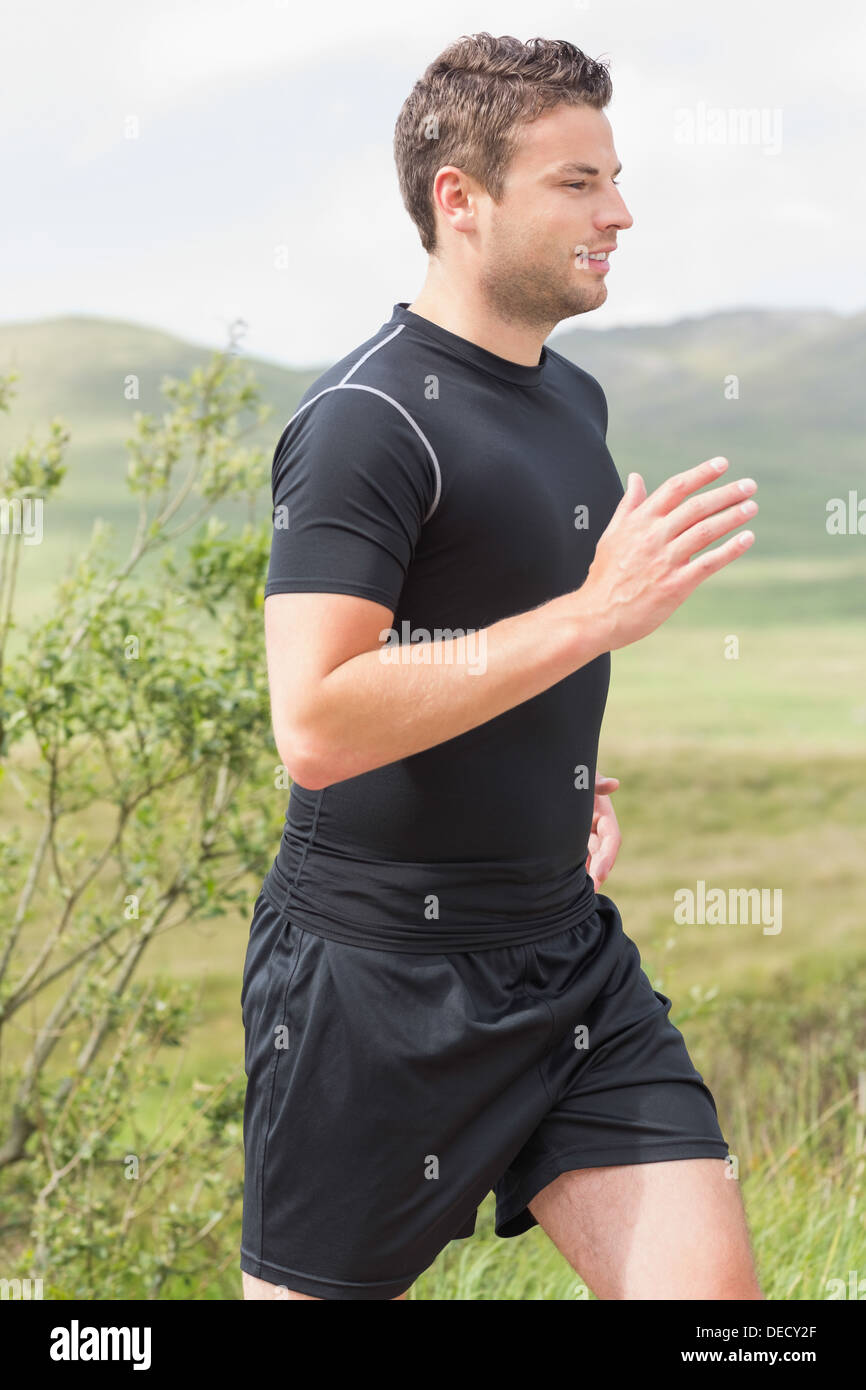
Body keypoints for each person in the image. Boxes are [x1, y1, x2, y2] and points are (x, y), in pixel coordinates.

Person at [240, 32, 762, 1301]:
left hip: (563, 952)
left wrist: (551, 787)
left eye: (615, 177)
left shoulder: (568, 399)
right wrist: (595, 616)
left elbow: (485, 650)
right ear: (457, 200)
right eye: (575, 183)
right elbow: (313, 720)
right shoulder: (366, 421)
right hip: (373, 979)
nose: (619, 213)